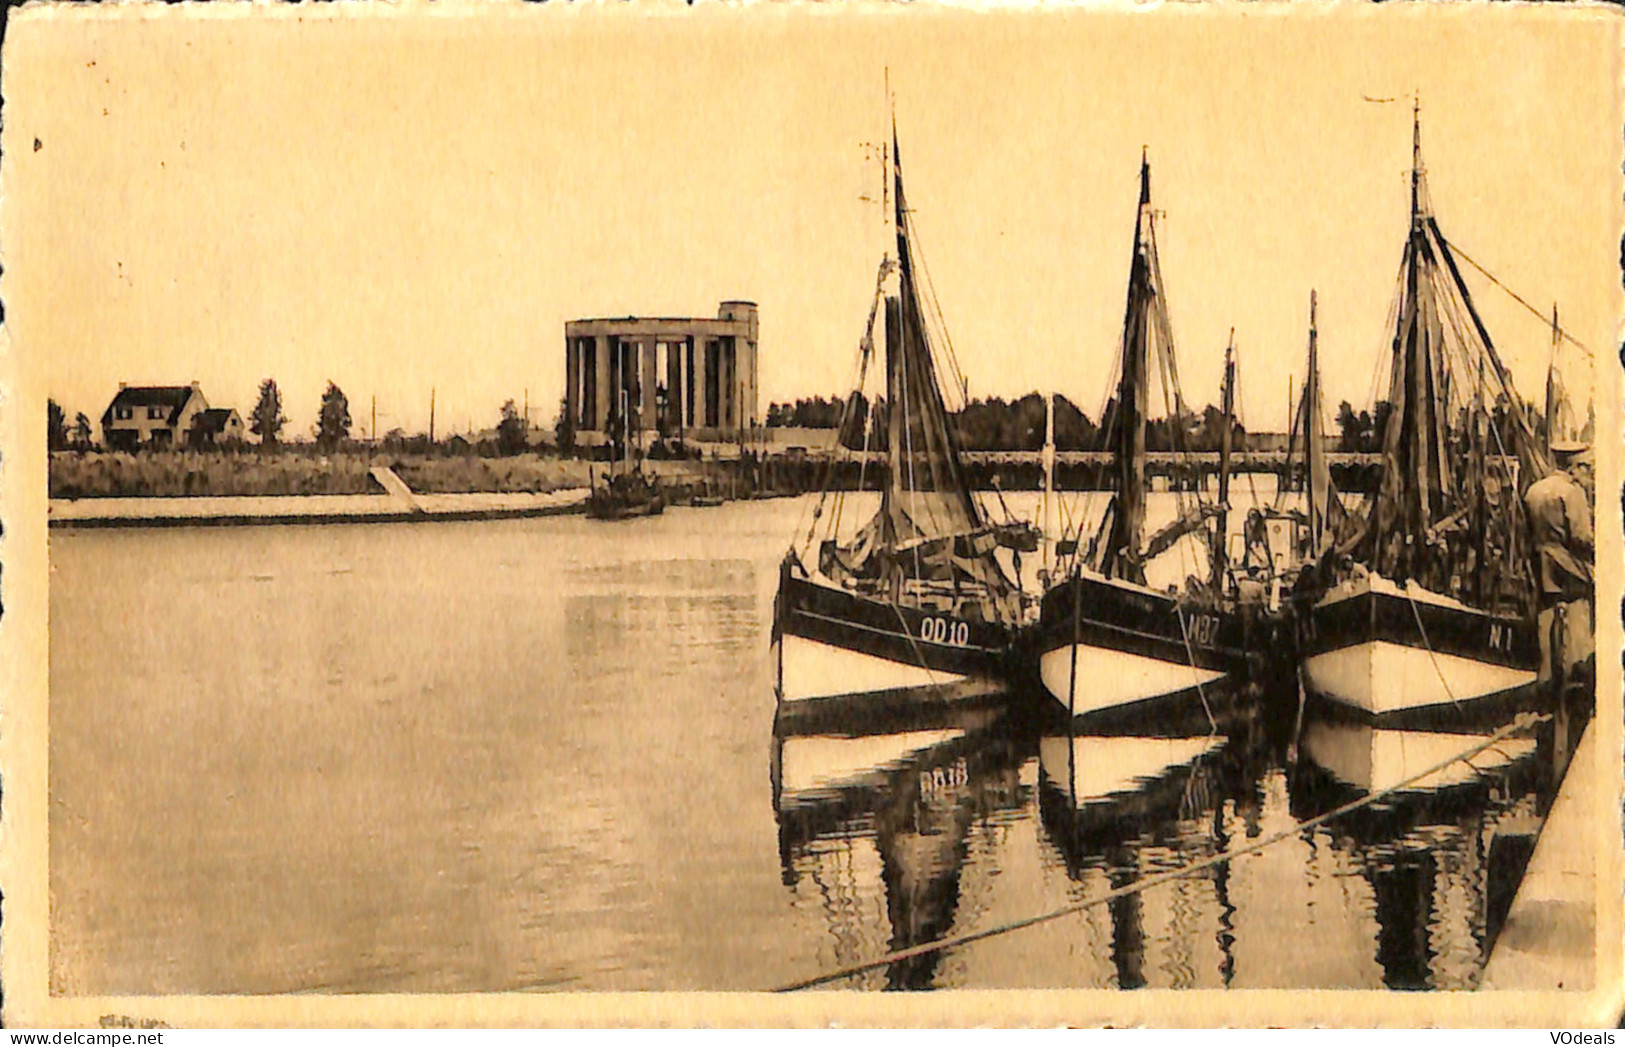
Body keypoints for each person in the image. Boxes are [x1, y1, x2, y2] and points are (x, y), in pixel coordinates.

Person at [1523, 441, 1594, 689]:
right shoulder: (1572, 493)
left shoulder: (1533, 491)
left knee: (1546, 617)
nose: (1588, 475)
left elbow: (1527, 532)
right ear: (1574, 467)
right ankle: (1574, 676)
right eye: (1586, 468)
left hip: (1540, 564)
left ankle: (1545, 678)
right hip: (1568, 566)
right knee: (1577, 614)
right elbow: (1581, 537)